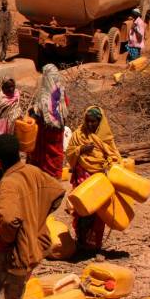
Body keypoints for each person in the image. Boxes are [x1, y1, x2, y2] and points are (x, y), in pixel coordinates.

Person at [0, 134, 65, 299]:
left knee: (11, 298)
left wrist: (8, 240)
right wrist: (36, 218)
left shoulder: (8, 184)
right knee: (16, 290)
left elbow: (9, 220)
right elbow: (57, 192)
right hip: (38, 242)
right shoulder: (32, 171)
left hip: (19, 251)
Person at [65, 106, 121, 251]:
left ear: (100, 122)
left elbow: (115, 157)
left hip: (99, 179)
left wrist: (108, 164)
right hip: (82, 178)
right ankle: (81, 242)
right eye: (88, 121)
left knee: (99, 214)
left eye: (94, 122)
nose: (90, 125)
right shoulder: (78, 135)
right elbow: (69, 153)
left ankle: (96, 245)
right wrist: (80, 150)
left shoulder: (106, 139)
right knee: (82, 211)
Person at [28, 65, 69, 179]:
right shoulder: (61, 90)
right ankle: (55, 176)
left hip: (45, 130)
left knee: (45, 154)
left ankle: (45, 178)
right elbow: (65, 106)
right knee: (56, 153)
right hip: (58, 130)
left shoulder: (44, 94)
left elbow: (39, 112)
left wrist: (32, 114)